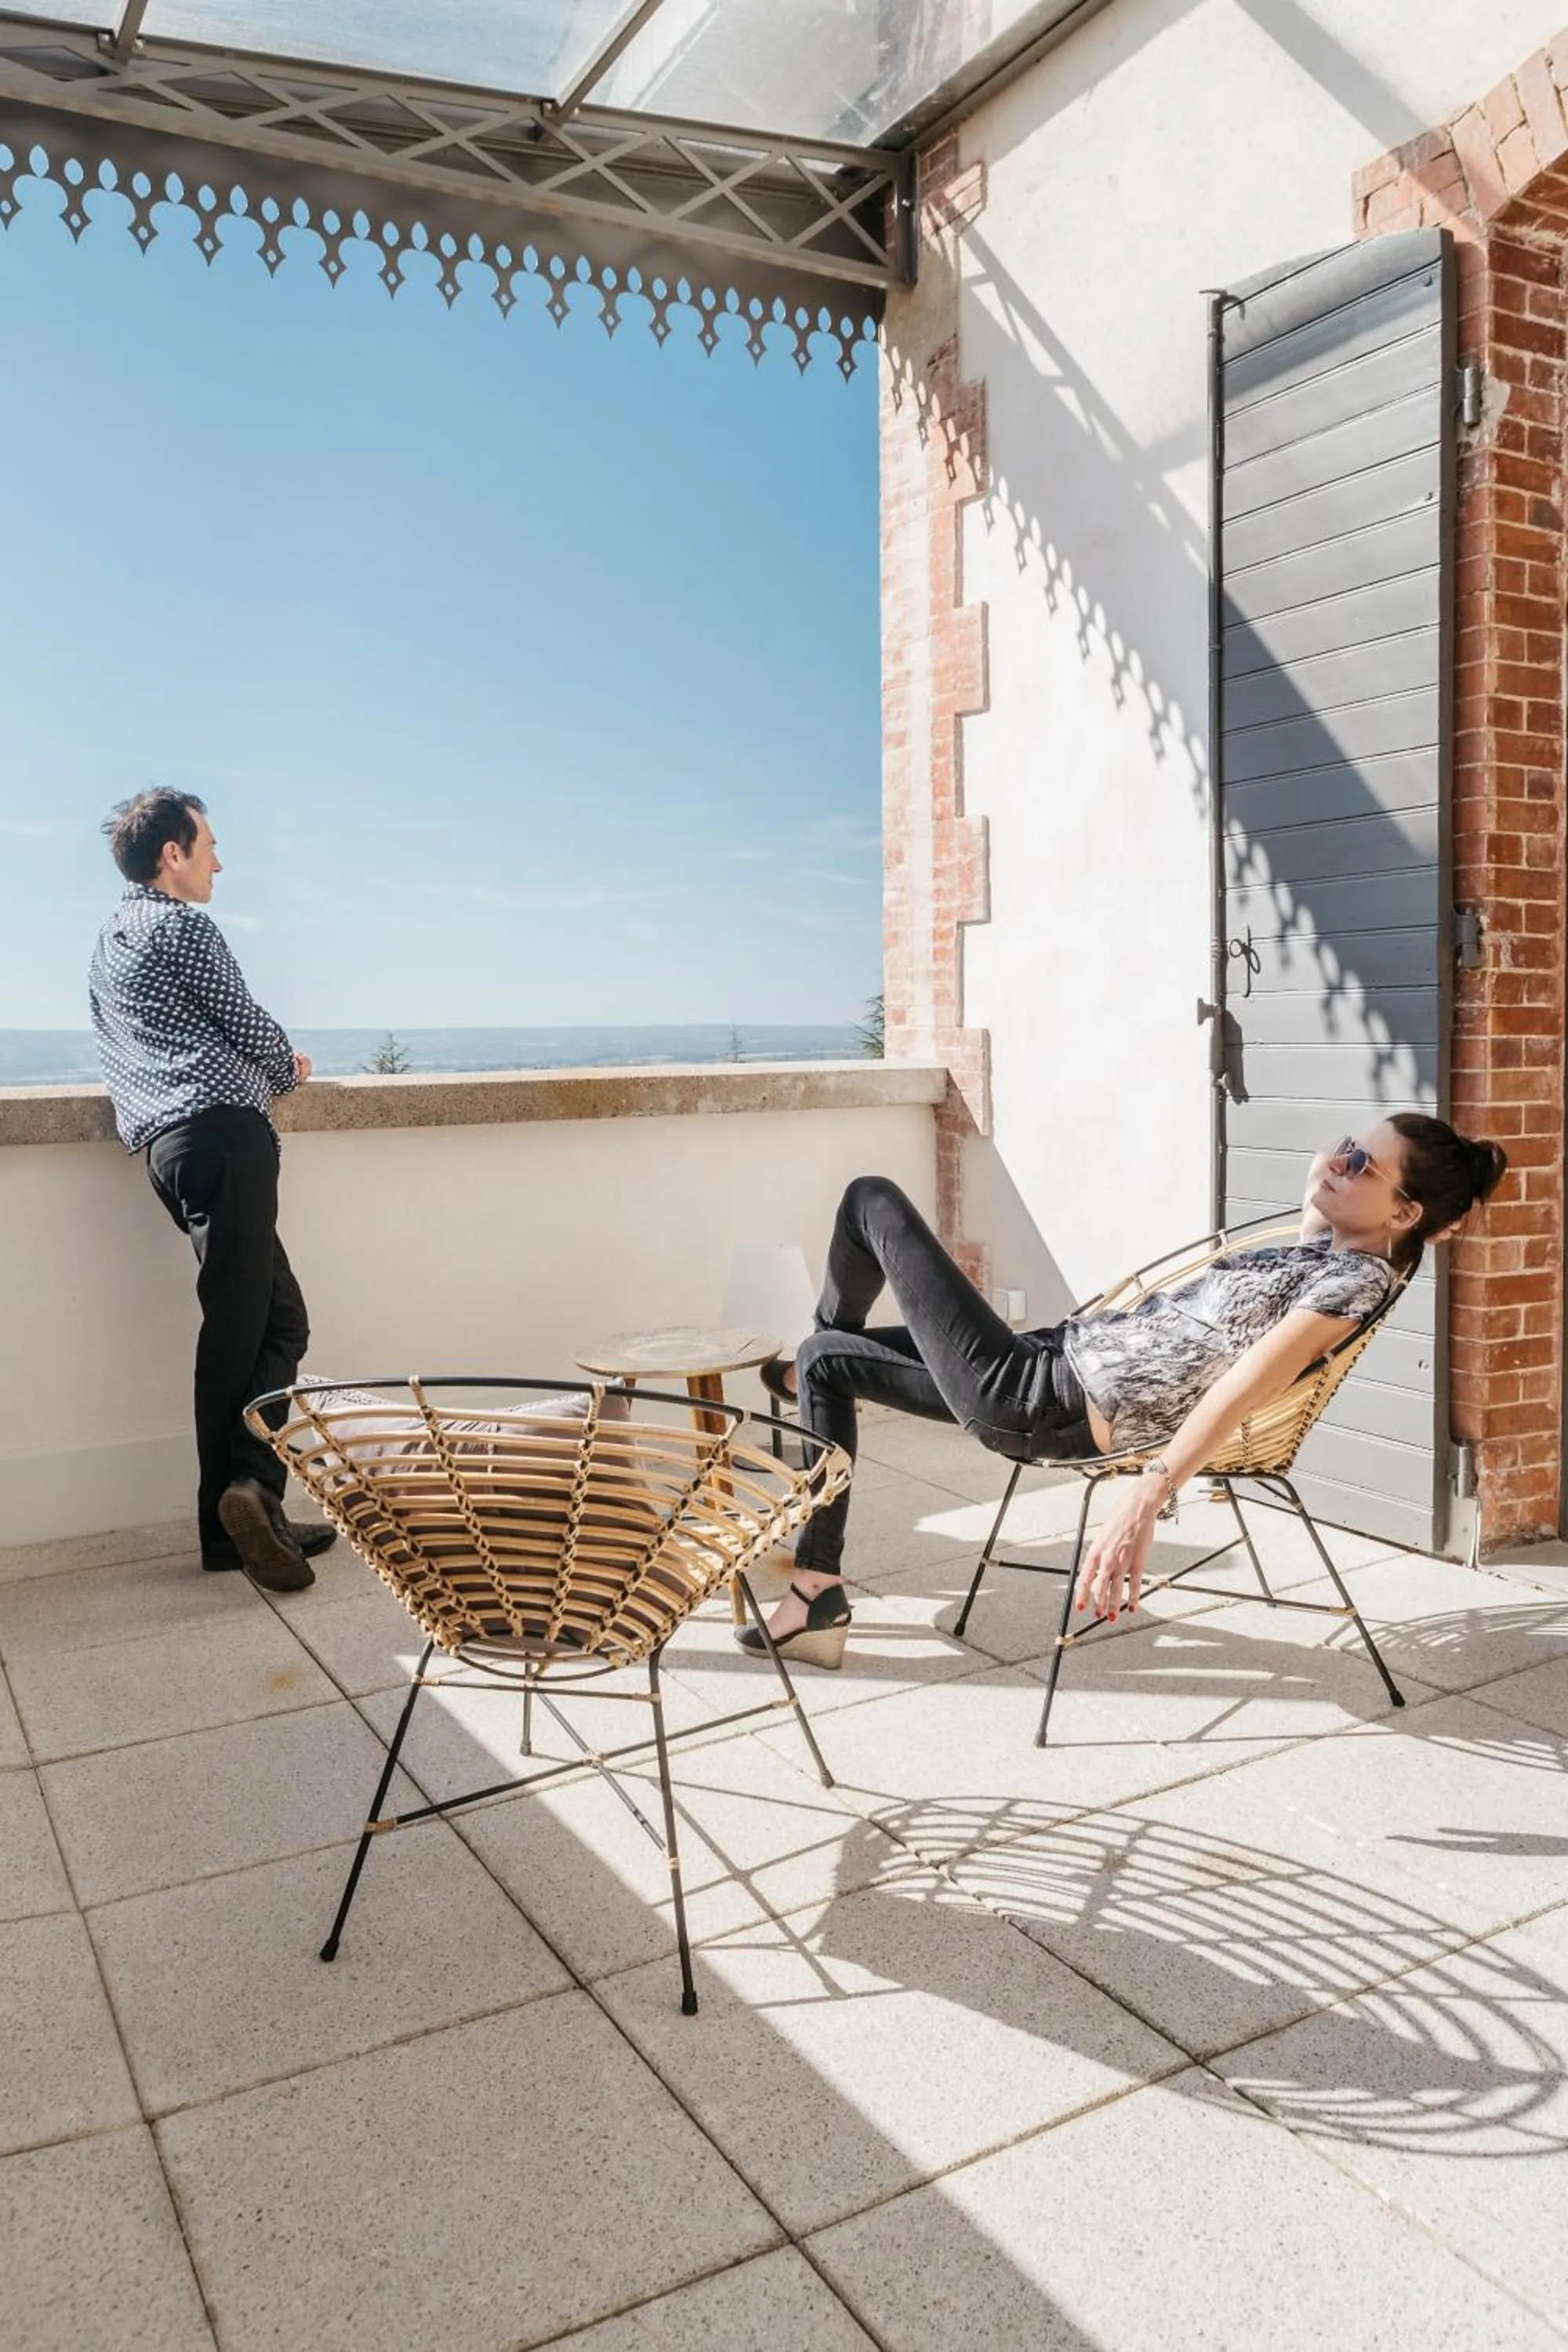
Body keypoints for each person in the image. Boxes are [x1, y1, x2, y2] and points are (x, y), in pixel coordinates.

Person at [742, 1117, 1507, 1669]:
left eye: (1361, 1164)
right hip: (1047, 1357)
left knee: (870, 1200)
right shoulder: (1321, 1248)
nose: (1338, 1163)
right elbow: (1322, 1181)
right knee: (825, 1361)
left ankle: (809, 1392)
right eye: (1345, 1146)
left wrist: (1148, 1494)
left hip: (1042, 1400)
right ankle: (816, 1587)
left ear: (1403, 1213)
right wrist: (1364, 1183)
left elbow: (1247, 1384)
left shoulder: (1353, 1280)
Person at [89, 789, 335, 1592]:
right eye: (210, 846)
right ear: (173, 853)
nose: (218, 864)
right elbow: (247, 1024)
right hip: (224, 1137)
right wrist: (288, 1067)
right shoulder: (182, 926)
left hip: (167, 1150)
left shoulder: (108, 943)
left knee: (269, 1318)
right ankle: (244, 1499)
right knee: (244, 1327)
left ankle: (241, 1513)